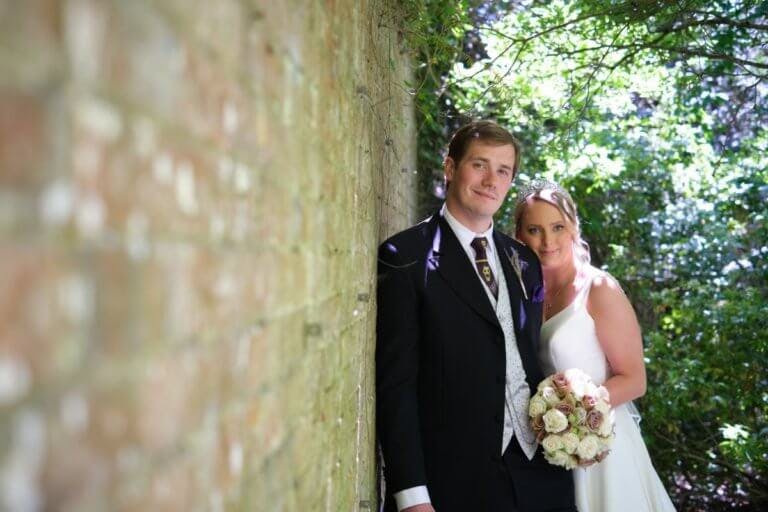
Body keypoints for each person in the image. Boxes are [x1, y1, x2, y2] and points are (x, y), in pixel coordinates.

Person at [376, 121, 576, 512]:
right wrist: (412, 494)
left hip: (540, 476)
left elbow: (525, 359)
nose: (491, 180)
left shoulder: (523, 261)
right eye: (479, 165)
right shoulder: (406, 257)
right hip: (453, 481)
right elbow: (396, 385)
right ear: (450, 168)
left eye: (503, 171)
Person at [514, 179, 676, 511]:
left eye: (557, 227)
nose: (547, 241)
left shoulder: (598, 288)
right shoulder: (524, 294)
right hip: (551, 454)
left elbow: (634, 379)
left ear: (573, 228)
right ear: (519, 235)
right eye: (535, 229)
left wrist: (575, 416)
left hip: (603, 447)